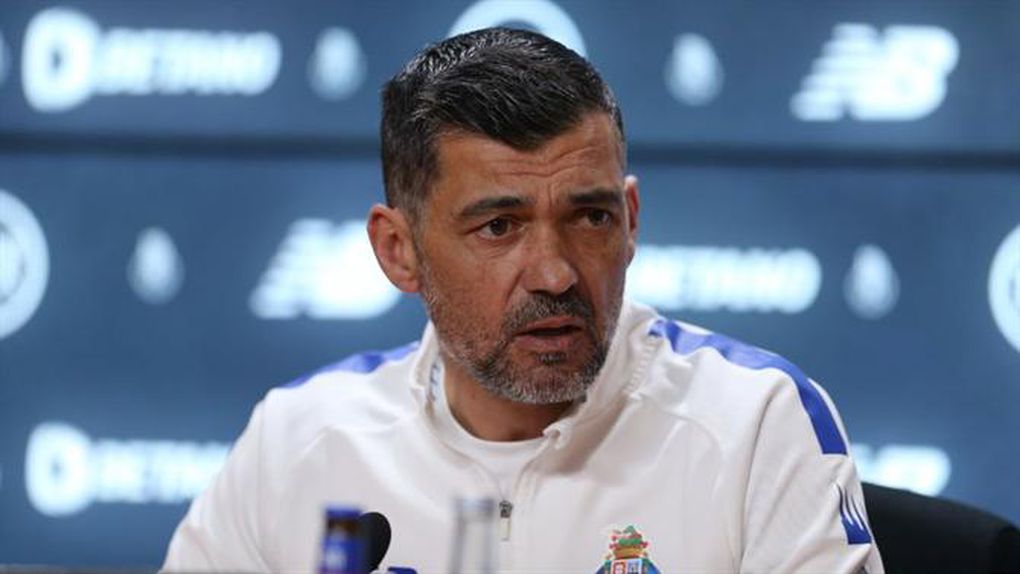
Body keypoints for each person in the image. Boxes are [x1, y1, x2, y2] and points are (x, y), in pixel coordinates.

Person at [163, 27, 883, 573]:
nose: (555, 275)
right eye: (499, 227)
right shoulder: (300, 442)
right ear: (398, 250)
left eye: (590, 217)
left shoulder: (752, 423)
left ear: (631, 221)